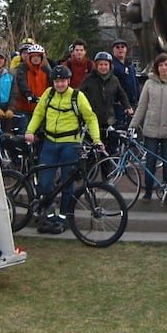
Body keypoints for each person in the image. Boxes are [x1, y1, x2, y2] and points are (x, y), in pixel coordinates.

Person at [25, 65, 102, 234]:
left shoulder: (77, 96)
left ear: (68, 81)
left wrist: (96, 139)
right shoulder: (48, 94)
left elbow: (90, 118)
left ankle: (64, 217)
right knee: (45, 182)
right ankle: (50, 215)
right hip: (50, 142)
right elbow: (38, 113)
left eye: (63, 81)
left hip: (70, 144)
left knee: (68, 182)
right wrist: (30, 131)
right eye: (57, 81)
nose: (60, 84)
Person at [129, 53, 167, 201]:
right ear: (157, 67)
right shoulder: (149, 83)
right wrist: (133, 126)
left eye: (166, 65)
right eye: (161, 65)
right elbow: (141, 106)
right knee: (150, 162)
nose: (164, 68)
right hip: (151, 130)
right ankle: (148, 191)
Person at [79, 51, 133, 148]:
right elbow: (80, 94)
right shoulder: (89, 79)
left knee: (111, 147)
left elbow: (121, 94)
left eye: (106, 64)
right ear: (96, 65)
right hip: (93, 119)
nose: (103, 67)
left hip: (109, 119)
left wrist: (127, 106)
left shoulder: (114, 80)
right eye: (100, 64)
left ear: (110, 66)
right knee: (94, 148)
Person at [11, 43, 51, 129]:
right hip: (24, 107)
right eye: (33, 56)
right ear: (30, 57)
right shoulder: (23, 68)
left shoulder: (45, 70)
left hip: (40, 108)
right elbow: (22, 83)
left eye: (38, 56)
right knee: (24, 130)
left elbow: (50, 85)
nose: (36, 58)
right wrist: (28, 95)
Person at [111, 39, 140, 123]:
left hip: (133, 104)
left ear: (126, 49)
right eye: (117, 47)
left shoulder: (130, 66)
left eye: (123, 47)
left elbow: (136, 84)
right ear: (113, 50)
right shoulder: (112, 66)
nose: (120, 49)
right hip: (120, 105)